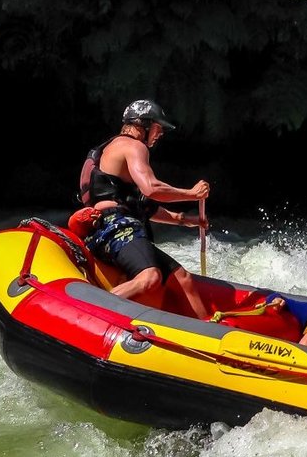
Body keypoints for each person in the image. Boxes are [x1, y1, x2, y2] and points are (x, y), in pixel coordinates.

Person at [75, 99, 210, 317]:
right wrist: (191, 194)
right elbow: (151, 188)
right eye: (158, 127)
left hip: (113, 227)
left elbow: (145, 207)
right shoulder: (133, 146)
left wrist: (186, 219)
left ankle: (208, 335)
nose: (160, 134)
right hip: (115, 227)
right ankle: (87, 312)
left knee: (182, 278)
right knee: (150, 277)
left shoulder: (114, 150)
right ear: (143, 125)